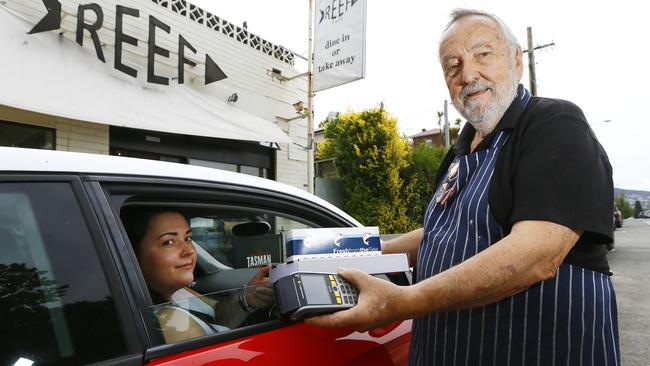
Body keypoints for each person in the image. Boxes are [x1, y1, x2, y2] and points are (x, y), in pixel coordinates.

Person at [306, 8, 619, 366]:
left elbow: (537, 255)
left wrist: (403, 301)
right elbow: (442, 234)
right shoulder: (459, 151)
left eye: (483, 54)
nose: (468, 74)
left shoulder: (555, 123)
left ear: (516, 60)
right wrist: (329, 261)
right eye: (452, 65)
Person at [122, 208, 274, 343]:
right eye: (168, 242)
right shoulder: (175, 325)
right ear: (132, 254)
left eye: (187, 238)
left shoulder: (178, 291)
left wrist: (248, 297)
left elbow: (216, 316)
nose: (188, 250)